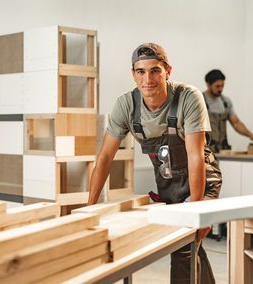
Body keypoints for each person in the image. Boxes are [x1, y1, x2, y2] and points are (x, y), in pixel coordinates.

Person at [87, 43, 222, 283]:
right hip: (168, 184)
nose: (147, 79)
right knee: (190, 246)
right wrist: (89, 208)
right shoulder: (126, 105)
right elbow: (105, 157)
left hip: (202, 177)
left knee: (184, 246)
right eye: (140, 71)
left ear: (167, 70)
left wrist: (198, 211)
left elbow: (195, 157)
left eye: (155, 70)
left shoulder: (188, 97)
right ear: (133, 73)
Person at [203, 69, 253, 153]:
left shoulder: (226, 102)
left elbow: (236, 123)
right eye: (217, 86)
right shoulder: (199, 101)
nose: (220, 89)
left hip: (222, 150)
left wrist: (250, 135)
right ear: (208, 85)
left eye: (222, 86)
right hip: (205, 151)